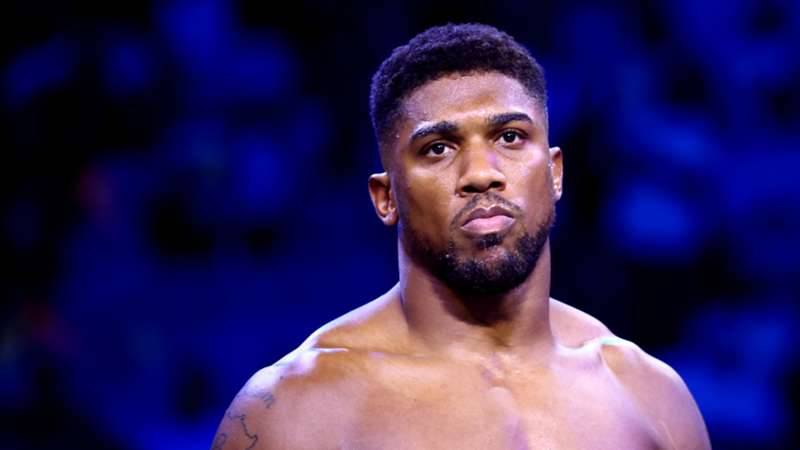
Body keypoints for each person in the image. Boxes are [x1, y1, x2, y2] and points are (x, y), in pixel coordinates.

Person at [211, 23, 711, 449]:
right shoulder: (298, 409)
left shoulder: (648, 395)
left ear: (555, 172)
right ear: (386, 198)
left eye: (510, 138)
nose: (481, 173)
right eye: (438, 148)